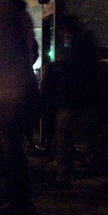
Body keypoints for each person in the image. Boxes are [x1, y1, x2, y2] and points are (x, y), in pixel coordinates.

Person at [0, 0, 39, 213]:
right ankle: (17, 197)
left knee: (8, 148)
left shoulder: (5, 14)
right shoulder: (20, 13)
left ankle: (16, 200)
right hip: (20, 87)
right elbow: (32, 51)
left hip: (7, 93)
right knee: (13, 147)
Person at [41, 15, 100, 188]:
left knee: (65, 138)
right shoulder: (87, 45)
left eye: (63, 31)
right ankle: (84, 167)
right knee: (88, 138)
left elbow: (74, 72)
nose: (62, 34)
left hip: (73, 100)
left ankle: (64, 176)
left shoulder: (77, 48)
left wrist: (58, 68)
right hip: (85, 99)